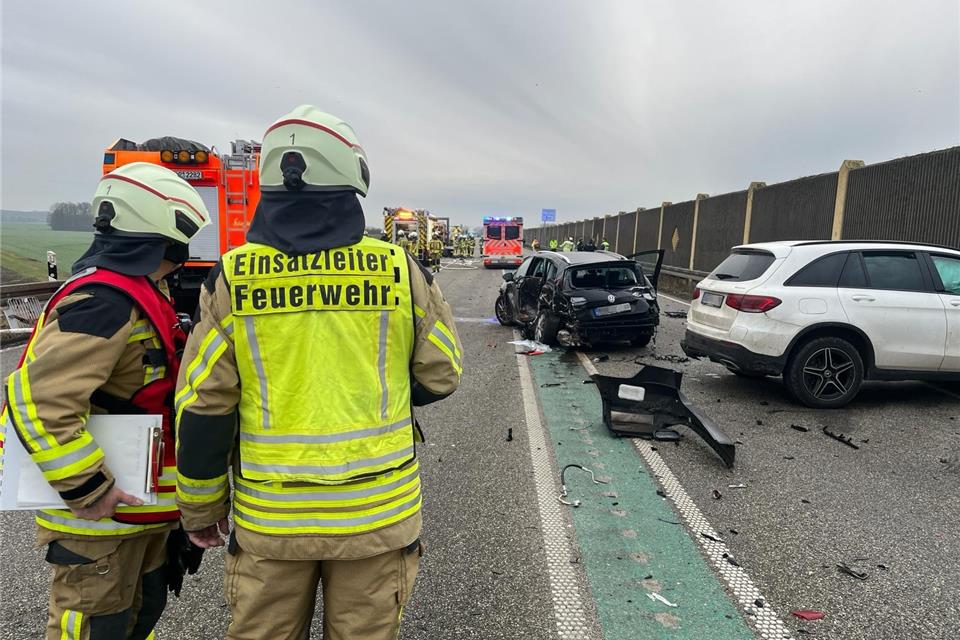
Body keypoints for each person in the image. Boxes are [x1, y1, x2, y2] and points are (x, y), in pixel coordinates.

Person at [174, 105, 463, 640]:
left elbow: (202, 404)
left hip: (272, 523)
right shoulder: (400, 271)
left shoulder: (233, 277)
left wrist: (199, 507)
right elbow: (443, 372)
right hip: (376, 518)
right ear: (352, 177)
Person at [1, 162, 210, 639]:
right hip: (100, 524)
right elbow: (39, 402)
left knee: (137, 619)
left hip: (134, 517)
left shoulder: (138, 292)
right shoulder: (105, 301)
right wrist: (88, 488)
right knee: (96, 628)